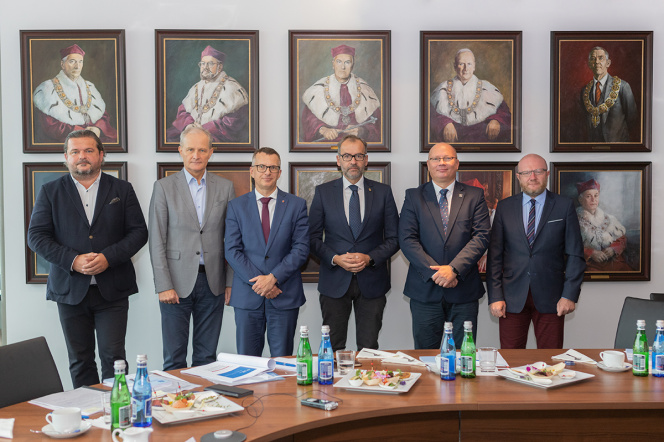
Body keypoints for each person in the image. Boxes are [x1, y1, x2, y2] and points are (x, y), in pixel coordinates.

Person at [27, 129, 147, 387]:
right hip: (70, 290)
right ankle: (87, 410)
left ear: (101, 155)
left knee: (114, 359)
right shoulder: (50, 191)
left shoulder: (122, 189)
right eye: (75, 151)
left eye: (89, 150)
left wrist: (108, 258)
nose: (82, 156)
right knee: (80, 360)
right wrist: (73, 260)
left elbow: (139, 232)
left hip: (113, 290)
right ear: (66, 157)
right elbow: (36, 237)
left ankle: (117, 408)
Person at [148, 126, 235, 370]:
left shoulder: (225, 187)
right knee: (174, 358)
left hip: (213, 283)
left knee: (207, 358)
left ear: (210, 153)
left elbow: (232, 239)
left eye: (202, 150)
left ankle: (204, 397)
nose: (196, 155)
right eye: (190, 150)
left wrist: (230, 282)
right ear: (181, 151)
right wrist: (163, 285)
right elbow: (156, 239)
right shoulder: (163, 187)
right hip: (175, 284)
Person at [309, 135, 400, 352]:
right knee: (332, 347)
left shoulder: (383, 192)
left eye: (358, 156)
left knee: (369, 348)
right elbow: (311, 238)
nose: (353, 161)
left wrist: (370, 258)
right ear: (338, 160)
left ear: (366, 160)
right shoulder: (323, 193)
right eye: (347, 156)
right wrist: (335, 258)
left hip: (372, 282)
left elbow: (395, 238)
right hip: (334, 282)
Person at [486, 154, 585, 349]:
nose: (532, 177)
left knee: (550, 358)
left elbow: (575, 254)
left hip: (552, 298)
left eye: (538, 171)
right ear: (518, 177)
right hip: (511, 298)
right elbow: (494, 256)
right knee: (511, 359)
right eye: (526, 173)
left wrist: (569, 295)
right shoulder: (504, 207)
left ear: (547, 174)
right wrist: (495, 296)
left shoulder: (564, 206)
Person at [399, 143, 490, 347]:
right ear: (428, 164)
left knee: (463, 354)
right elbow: (407, 239)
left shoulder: (475, 195)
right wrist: (437, 274)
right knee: (426, 356)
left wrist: (454, 270)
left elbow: (482, 237)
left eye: (447, 158)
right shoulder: (413, 196)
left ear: (457, 163)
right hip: (425, 290)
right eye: (436, 159)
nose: (442, 163)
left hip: (464, 290)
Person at [225, 148, 310, 357]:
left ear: (279, 172)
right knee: (247, 362)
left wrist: (273, 278)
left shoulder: (297, 205)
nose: (267, 172)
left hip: (284, 293)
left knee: (282, 362)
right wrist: (261, 283)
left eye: (273, 167)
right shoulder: (236, 206)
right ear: (252, 171)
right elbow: (232, 250)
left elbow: (301, 248)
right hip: (248, 297)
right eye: (262, 166)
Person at [33, 44, 117, 144]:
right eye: (72, 61)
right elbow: (50, 125)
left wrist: (98, 128)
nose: (77, 67)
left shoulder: (90, 87)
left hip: (93, 137)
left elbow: (103, 115)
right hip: (68, 140)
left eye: (80, 62)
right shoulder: (47, 89)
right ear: (62, 64)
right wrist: (81, 132)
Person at [167, 45, 249, 143]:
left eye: (210, 64)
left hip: (215, 135)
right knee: (169, 137)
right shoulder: (196, 87)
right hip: (190, 132)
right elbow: (182, 111)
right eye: (203, 64)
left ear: (220, 66)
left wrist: (202, 130)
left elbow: (233, 122)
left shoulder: (233, 88)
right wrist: (188, 125)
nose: (205, 67)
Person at [301, 44, 381, 142]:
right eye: (339, 62)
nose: (343, 67)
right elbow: (308, 120)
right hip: (326, 144)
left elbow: (376, 122)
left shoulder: (364, 89)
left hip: (355, 144)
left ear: (352, 65)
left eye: (347, 62)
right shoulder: (318, 89)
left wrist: (362, 131)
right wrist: (323, 129)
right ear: (333, 64)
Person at [430, 48, 511, 143]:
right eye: (461, 64)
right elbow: (431, 115)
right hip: (452, 142)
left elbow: (505, 113)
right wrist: (445, 123)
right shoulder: (442, 89)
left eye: (469, 64)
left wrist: (495, 120)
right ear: (455, 66)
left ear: (474, 66)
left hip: (482, 141)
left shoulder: (488, 88)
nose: (465, 69)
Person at [581, 46, 637, 142]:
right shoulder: (585, 91)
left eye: (601, 58)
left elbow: (633, 119)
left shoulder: (623, 87)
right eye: (593, 59)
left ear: (608, 63)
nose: (597, 62)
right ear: (589, 64)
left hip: (618, 146)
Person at [576, 178, 632, 272]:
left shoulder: (609, 218)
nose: (593, 199)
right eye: (588, 196)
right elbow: (568, 245)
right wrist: (591, 253)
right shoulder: (573, 220)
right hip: (589, 264)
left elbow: (622, 238)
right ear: (580, 200)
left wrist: (613, 249)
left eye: (596, 195)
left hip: (614, 263)